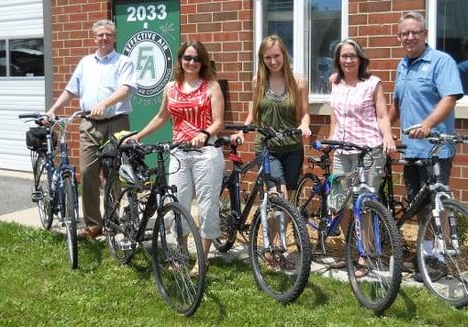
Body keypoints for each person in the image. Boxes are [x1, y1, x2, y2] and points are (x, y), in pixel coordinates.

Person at [130, 41, 224, 277]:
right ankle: (182, 254)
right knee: (177, 204)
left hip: (206, 154)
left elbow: (218, 123)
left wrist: (204, 134)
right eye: (187, 58)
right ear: (180, 60)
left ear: (202, 62)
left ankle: (202, 260)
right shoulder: (171, 88)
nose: (191, 62)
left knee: (206, 207)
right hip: (179, 153)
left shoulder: (211, 87)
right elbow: (161, 117)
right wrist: (139, 135)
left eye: (196, 58)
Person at [388, 11, 464, 280]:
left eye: (415, 32)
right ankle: (428, 255)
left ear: (425, 34)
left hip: (435, 149)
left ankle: (442, 259)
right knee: (419, 207)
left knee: (438, 205)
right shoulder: (402, 65)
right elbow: (397, 104)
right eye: (405, 33)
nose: (410, 37)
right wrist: (383, 127)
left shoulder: (441, 62)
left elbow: (450, 98)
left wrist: (428, 124)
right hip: (411, 150)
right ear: (399, 37)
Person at [47, 19, 138, 239]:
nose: (104, 38)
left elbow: (126, 88)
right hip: (89, 124)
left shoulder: (123, 62)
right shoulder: (85, 63)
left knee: (113, 174)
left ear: (114, 37)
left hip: (116, 123)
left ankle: (112, 220)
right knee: (88, 172)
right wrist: (52, 110)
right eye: (100, 35)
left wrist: (105, 103)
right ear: (94, 38)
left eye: (108, 34)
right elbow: (70, 90)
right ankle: (93, 224)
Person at [327, 39, 395, 271]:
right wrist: (330, 141)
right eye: (343, 56)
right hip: (342, 151)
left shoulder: (372, 83)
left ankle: (367, 255)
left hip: (369, 150)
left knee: (364, 205)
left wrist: (388, 136)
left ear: (360, 59)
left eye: (352, 56)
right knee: (340, 203)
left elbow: (382, 115)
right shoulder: (334, 82)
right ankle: (353, 250)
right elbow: (334, 116)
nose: (348, 60)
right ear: (338, 60)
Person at [234, 34, 311, 200]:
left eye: (276, 56)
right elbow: (254, 112)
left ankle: (276, 227)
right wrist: (242, 131)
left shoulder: (299, 82)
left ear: (284, 54)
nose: (273, 61)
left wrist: (305, 125)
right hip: (266, 147)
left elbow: (305, 113)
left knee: (288, 201)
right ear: (262, 59)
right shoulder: (258, 82)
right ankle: (275, 225)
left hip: (293, 148)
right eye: (268, 57)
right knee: (278, 195)